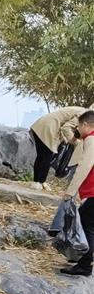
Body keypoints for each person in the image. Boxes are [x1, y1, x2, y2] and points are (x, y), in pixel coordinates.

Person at [60, 110, 94, 277]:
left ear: (85, 124)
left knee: (86, 225)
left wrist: (70, 191)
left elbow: (85, 167)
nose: (78, 129)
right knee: (87, 224)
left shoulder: (91, 140)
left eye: (79, 126)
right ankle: (82, 259)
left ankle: (85, 265)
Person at [29, 105, 92, 190]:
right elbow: (66, 128)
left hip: (42, 125)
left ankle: (38, 181)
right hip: (49, 127)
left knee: (42, 156)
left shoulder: (82, 111)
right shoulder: (84, 115)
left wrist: (67, 139)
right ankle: (39, 182)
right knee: (46, 156)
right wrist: (74, 142)